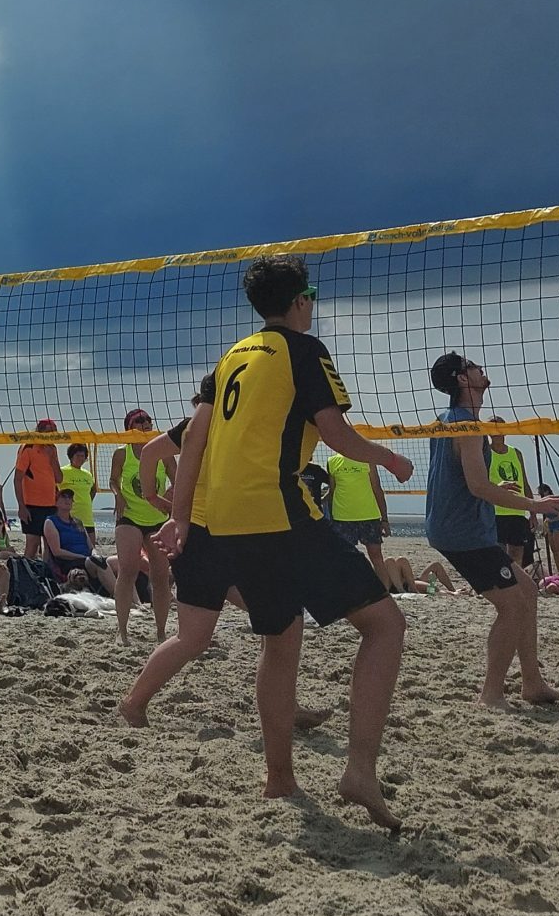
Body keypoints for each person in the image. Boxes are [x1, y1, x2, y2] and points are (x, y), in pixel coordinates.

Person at [146, 260, 414, 829]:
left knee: (280, 638)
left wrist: (183, 517)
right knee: (386, 626)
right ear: (299, 301)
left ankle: (279, 778)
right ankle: (359, 771)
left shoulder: (230, 357)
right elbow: (336, 434)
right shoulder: (304, 349)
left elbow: (192, 440)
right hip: (281, 512)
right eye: (310, 296)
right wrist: (387, 458)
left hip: (227, 521)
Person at [424, 353, 559, 708]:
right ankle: (491, 694)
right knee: (512, 606)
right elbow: (476, 485)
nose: (480, 369)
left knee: (527, 594)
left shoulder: (451, 420)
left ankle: (532, 684)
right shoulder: (466, 424)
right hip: (463, 533)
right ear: (463, 379)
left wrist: (502, 492)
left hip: (455, 527)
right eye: (473, 366)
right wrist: (534, 505)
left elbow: (465, 478)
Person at [108, 410, 172, 642]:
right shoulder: (122, 454)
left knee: (161, 576)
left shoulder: (163, 452)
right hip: (130, 517)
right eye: (139, 421)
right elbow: (113, 480)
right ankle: (122, 630)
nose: (145, 424)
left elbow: (176, 479)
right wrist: (117, 495)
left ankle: (161, 633)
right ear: (129, 427)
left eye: (147, 420)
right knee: (127, 569)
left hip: (157, 518)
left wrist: (169, 500)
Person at [324, 443, 391, 581]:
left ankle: (385, 592)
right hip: (342, 517)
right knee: (345, 558)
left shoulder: (367, 460)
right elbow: (332, 491)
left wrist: (384, 519)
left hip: (368, 515)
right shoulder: (332, 461)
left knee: (376, 557)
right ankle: (349, 594)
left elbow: (377, 489)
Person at [42, 483, 116, 596]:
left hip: (88, 560)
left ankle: (137, 600)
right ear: (56, 502)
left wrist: (95, 554)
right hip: (71, 561)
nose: (68, 500)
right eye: (64, 497)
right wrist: (84, 557)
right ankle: (120, 597)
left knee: (118, 561)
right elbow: (57, 552)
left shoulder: (77, 522)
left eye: (70, 498)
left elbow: (91, 547)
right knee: (96, 562)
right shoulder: (51, 522)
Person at [486, 424, 535, 576]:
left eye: (498, 428)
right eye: (492, 429)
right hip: (496, 510)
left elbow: (524, 482)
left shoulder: (516, 453)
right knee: (497, 551)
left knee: (516, 552)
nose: (496, 432)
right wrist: (498, 487)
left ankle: (517, 583)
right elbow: (479, 482)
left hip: (517, 510)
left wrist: (532, 512)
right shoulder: (485, 453)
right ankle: (499, 582)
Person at [14, 423, 62, 561]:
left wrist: (52, 458)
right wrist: (21, 506)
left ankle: (47, 576)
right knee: (32, 545)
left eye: (54, 431)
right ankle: (25, 578)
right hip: (32, 505)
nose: (52, 434)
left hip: (51, 505)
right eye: (49, 431)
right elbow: (17, 479)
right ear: (39, 432)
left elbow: (59, 478)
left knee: (50, 546)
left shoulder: (52, 448)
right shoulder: (28, 447)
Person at [59, 444, 96, 535]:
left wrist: (85, 501)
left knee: (90, 547)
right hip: (70, 516)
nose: (80, 458)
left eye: (82, 456)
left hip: (87, 517)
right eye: (77, 456)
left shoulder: (88, 474)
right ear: (71, 457)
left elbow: (93, 490)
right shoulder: (63, 471)